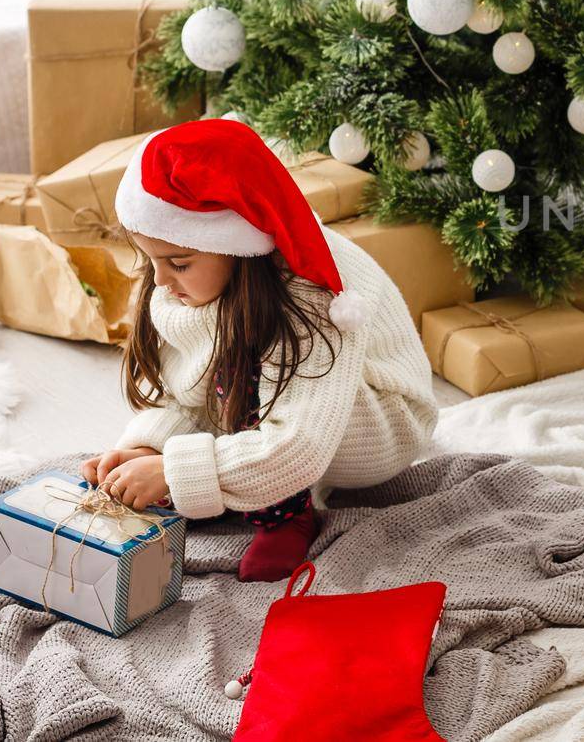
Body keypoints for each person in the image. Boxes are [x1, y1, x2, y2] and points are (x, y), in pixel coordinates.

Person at [81, 119, 437, 582]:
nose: (162, 281)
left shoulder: (311, 297)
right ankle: (230, 473)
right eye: (152, 260)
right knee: (229, 376)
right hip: (286, 396)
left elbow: (301, 444)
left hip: (376, 421)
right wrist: (152, 445)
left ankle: (286, 513)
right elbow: (187, 389)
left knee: (248, 372)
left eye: (179, 264)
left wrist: (172, 471)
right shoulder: (188, 278)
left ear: (233, 245)